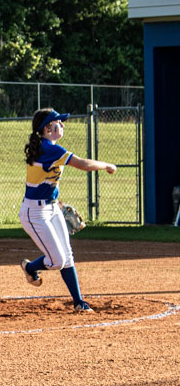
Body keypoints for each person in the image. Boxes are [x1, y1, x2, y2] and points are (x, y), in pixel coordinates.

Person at [18, 108, 116, 312]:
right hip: (34, 213)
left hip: (51, 207)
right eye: (58, 122)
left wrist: (57, 202)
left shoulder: (49, 147)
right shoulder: (48, 148)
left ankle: (79, 302)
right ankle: (30, 267)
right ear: (47, 128)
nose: (62, 125)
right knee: (57, 261)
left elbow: (46, 181)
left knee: (68, 256)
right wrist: (106, 165)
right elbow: (82, 164)